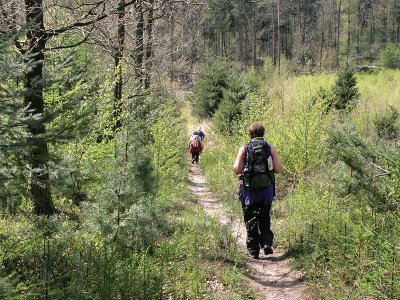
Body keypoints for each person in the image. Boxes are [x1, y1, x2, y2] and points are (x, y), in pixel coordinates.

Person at [233, 122, 282, 259]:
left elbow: (237, 170)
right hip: (266, 190)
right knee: (265, 217)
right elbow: (278, 169)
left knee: (251, 220)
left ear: (250, 134)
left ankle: (253, 250)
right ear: (263, 133)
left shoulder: (244, 149)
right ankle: (266, 243)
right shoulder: (270, 148)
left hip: (249, 191)